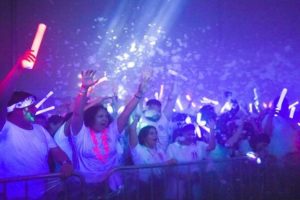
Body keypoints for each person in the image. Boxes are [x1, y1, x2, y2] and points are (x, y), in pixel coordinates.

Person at [0, 50, 73, 199]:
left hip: (41, 193)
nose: (35, 109)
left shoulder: (40, 130)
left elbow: (56, 151)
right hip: (13, 195)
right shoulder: (4, 128)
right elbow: (2, 98)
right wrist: (17, 69)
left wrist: (65, 162)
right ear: (13, 110)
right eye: (30, 107)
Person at [70, 70, 149, 194]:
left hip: (111, 185)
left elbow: (126, 113)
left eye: (106, 116)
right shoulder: (81, 133)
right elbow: (77, 113)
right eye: (100, 116)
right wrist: (84, 89)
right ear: (91, 118)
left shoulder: (111, 131)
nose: (105, 119)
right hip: (87, 187)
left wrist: (139, 94)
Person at [137, 83, 177, 151]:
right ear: (147, 108)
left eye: (157, 111)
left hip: (162, 155)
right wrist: (141, 90)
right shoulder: (141, 117)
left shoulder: (164, 118)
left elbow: (171, 101)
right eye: (152, 110)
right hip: (145, 155)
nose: (155, 114)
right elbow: (139, 100)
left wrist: (175, 84)